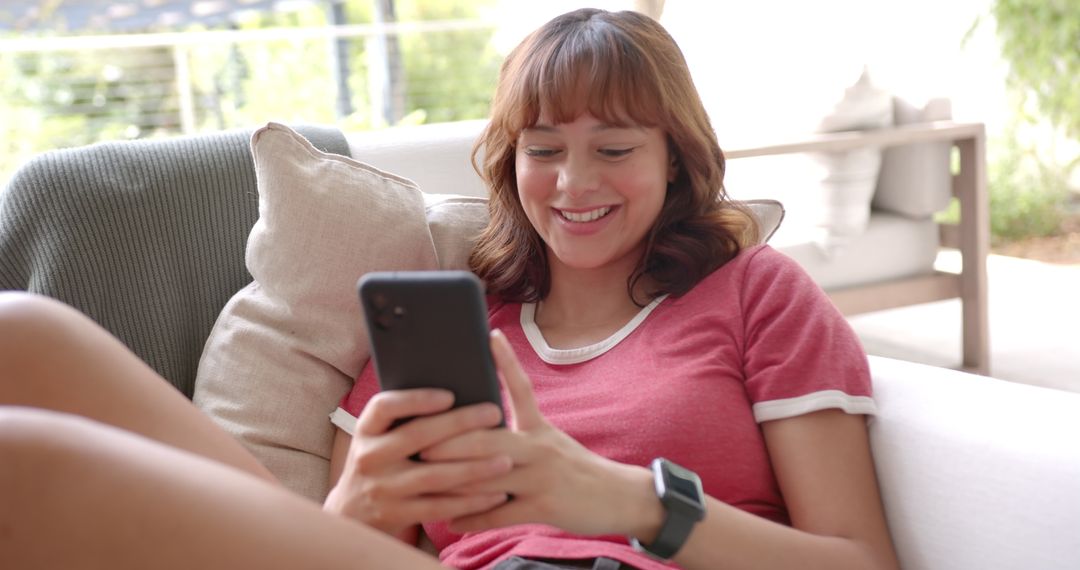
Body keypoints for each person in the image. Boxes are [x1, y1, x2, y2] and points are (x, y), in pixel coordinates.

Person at [0, 8, 898, 570]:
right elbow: (339, 540)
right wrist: (365, 504)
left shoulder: (756, 294)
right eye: (543, 150)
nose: (574, 184)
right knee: (23, 334)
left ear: (676, 161)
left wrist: (622, 498)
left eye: (615, 150)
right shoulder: (458, 321)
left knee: (24, 468)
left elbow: (861, 563)